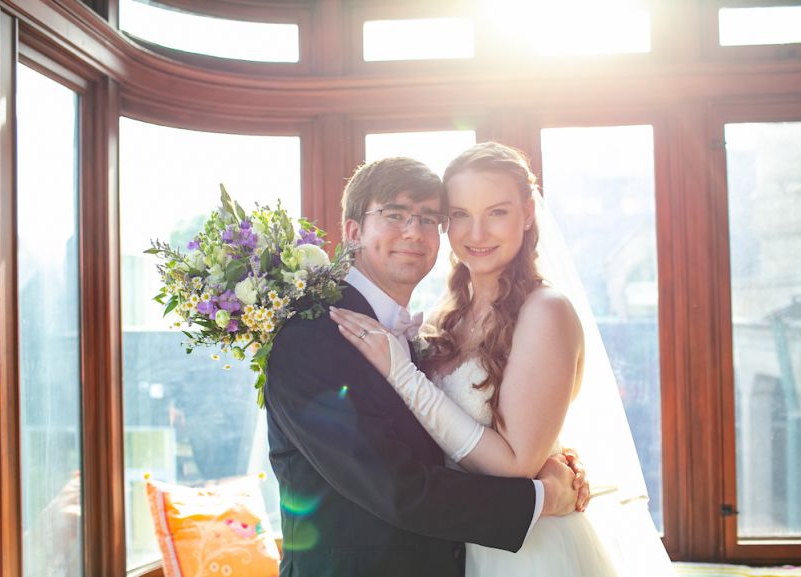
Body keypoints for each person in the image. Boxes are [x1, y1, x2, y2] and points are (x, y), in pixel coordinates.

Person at [330, 142, 675, 576]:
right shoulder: (447, 311)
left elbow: (516, 465)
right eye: (459, 215)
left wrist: (403, 374)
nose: (476, 234)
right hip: (454, 539)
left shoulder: (546, 311)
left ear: (528, 214)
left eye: (496, 212)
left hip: (523, 551)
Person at [265, 156, 589, 577]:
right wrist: (544, 496)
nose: (413, 233)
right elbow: (398, 490)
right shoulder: (315, 334)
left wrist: (550, 452)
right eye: (394, 216)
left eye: (429, 219)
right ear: (353, 232)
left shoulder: (424, 331)